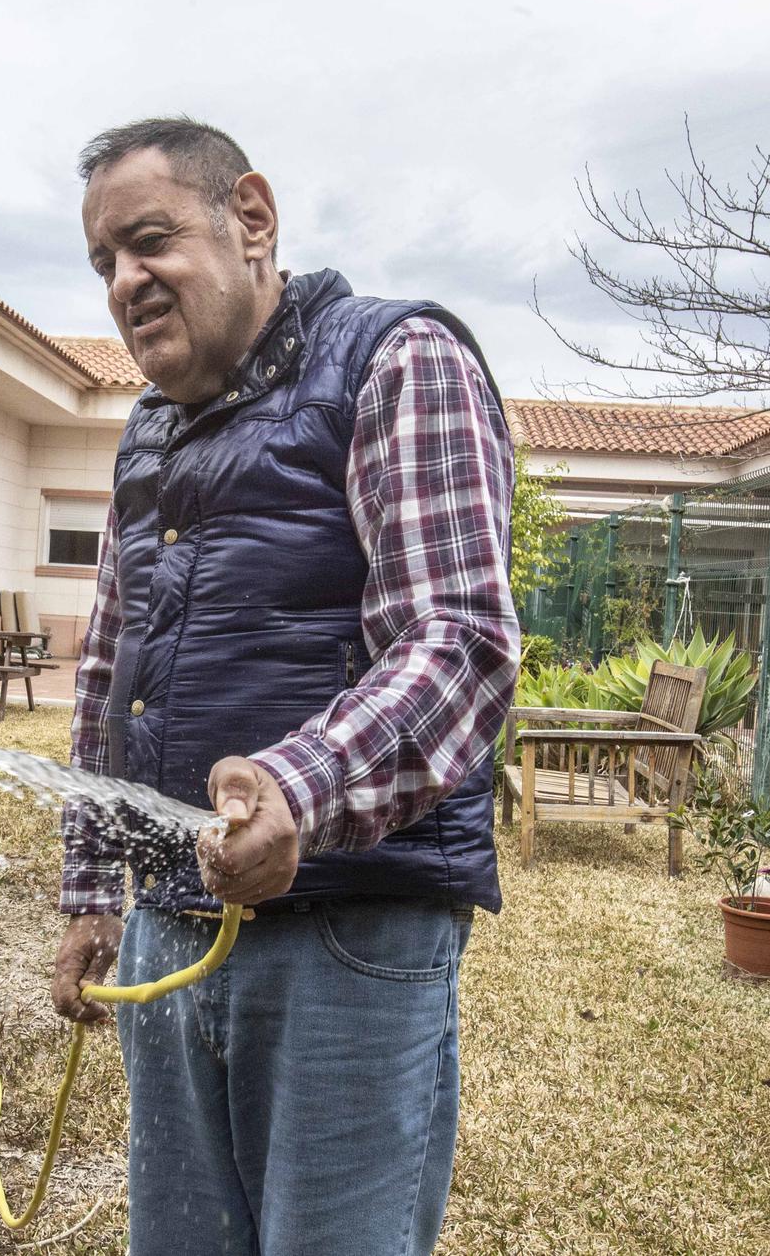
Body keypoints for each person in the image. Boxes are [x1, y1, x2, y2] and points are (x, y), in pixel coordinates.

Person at [49, 116, 520, 1256]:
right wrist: (87, 889)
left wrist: (296, 793)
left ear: (249, 219)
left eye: (147, 240)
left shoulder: (396, 360)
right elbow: (109, 666)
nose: (124, 280)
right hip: (172, 931)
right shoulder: (149, 431)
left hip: (343, 938)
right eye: (102, 261)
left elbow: (455, 641)